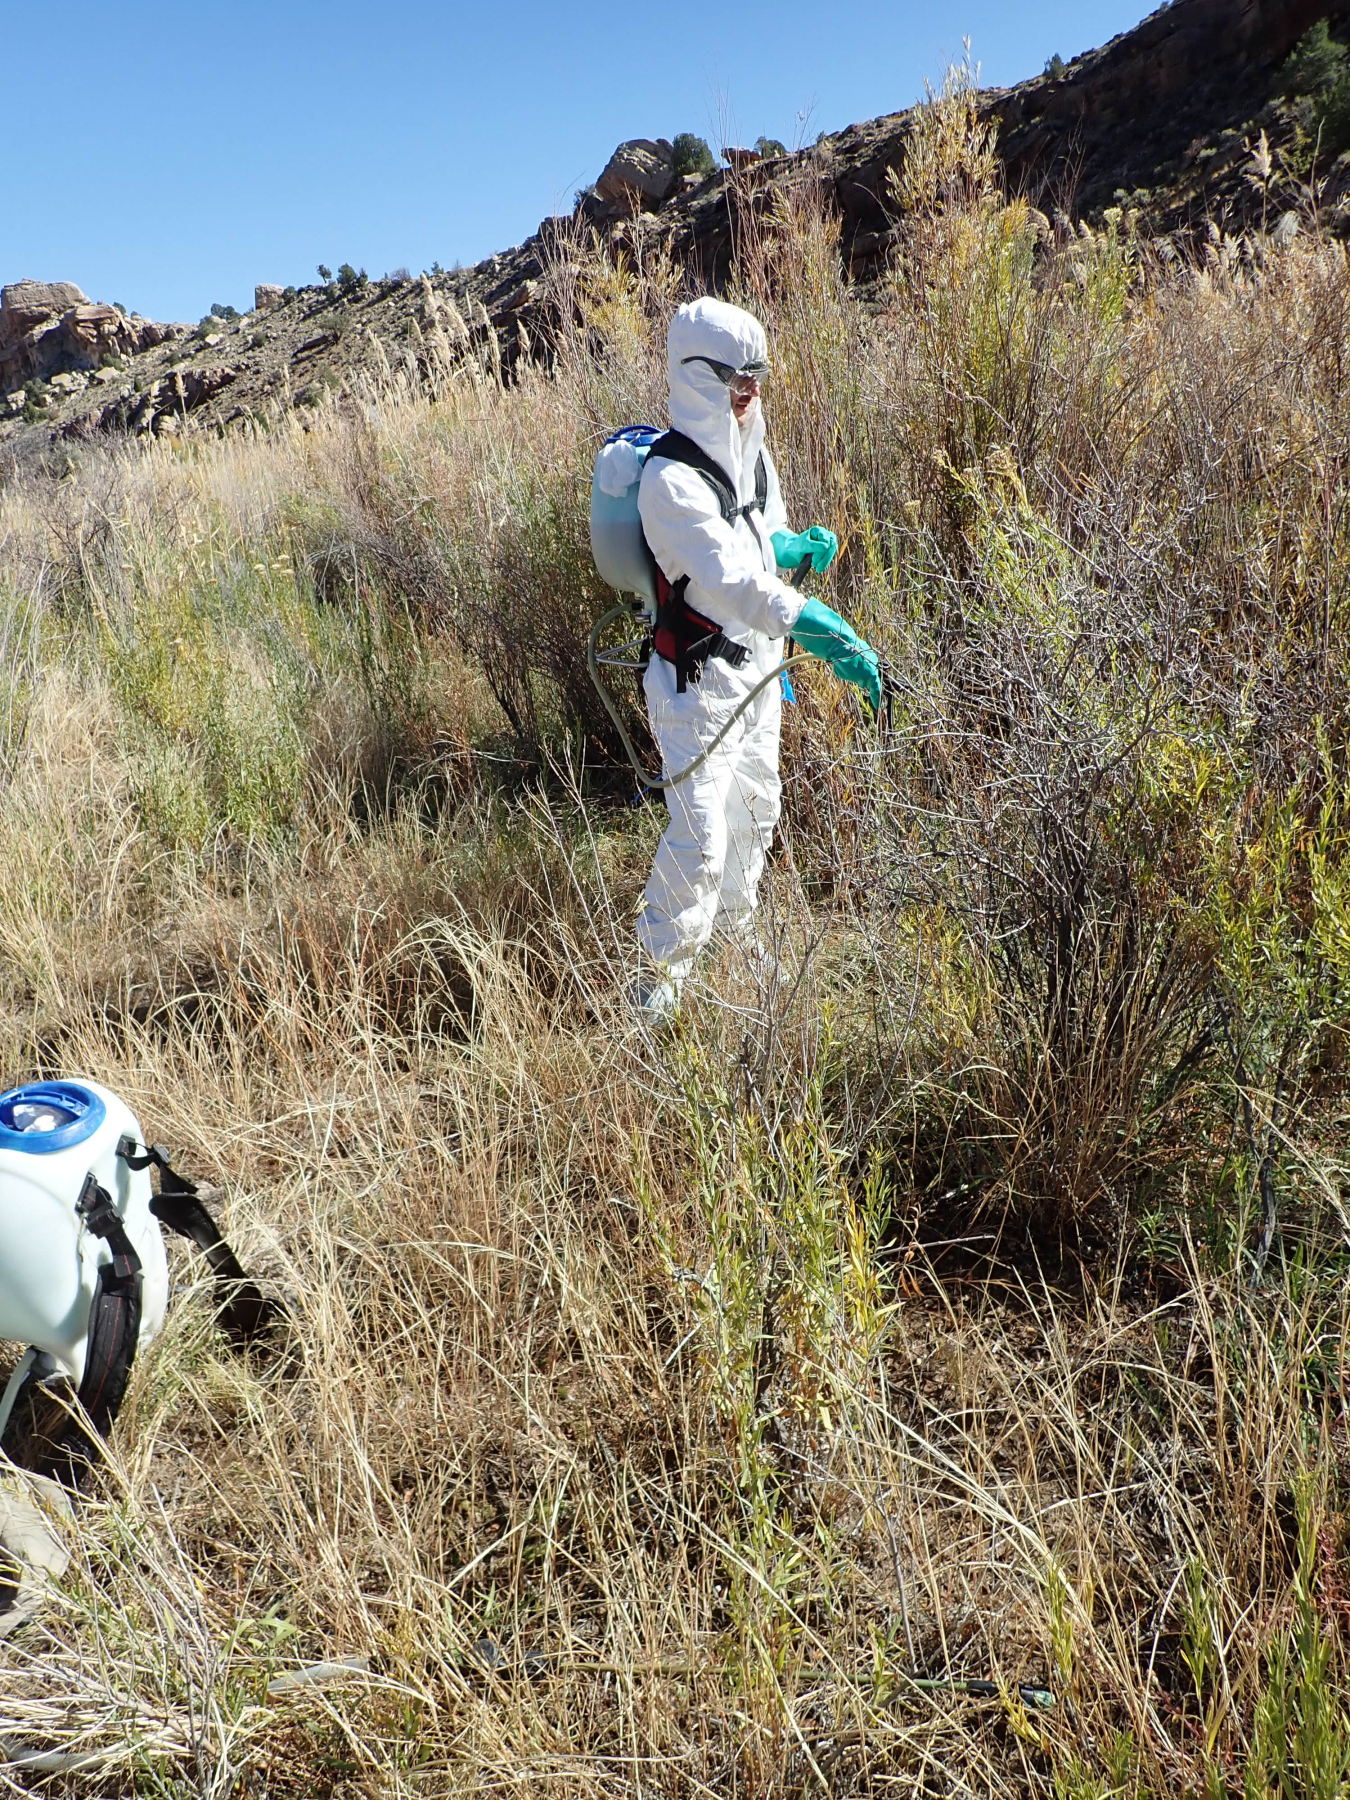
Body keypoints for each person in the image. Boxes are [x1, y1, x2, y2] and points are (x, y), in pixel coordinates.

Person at [634, 296, 882, 1019]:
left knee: (757, 811)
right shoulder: (667, 480)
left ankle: (735, 948)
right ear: (696, 375)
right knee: (703, 837)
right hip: (699, 685)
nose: (751, 393)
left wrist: (790, 546)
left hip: (758, 672)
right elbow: (725, 580)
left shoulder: (751, 454)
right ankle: (657, 989)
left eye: (759, 377)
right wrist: (814, 624)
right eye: (738, 378)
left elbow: (754, 542)